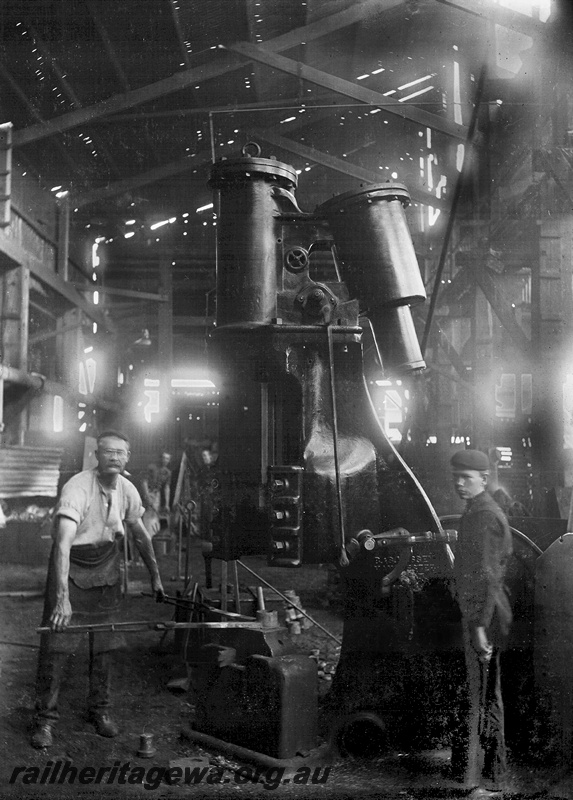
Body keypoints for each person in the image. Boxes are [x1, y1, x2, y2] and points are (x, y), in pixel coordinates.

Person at [31, 430, 165, 749]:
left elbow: (140, 535)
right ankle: (45, 721)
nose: (115, 457)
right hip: (71, 566)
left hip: (106, 568)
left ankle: (100, 711)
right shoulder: (77, 488)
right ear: (97, 455)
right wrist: (62, 599)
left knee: (104, 644)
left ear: (127, 457)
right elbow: (62, 544)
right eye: (108, 452)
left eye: (121, 453)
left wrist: (155, 577)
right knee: (57, 646)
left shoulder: (128, 489)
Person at [450, 449, 513, 797]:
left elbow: (488, 577)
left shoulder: (484, 516)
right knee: (486, 695)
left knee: (482, 698)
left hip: (485, 618)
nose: (459, 483)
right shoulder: (476, 511)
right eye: (456, 476)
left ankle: (484, 783)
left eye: (467, 477)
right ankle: (489, 777)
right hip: (483, 614)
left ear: (484, 478)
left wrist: (477, 627)